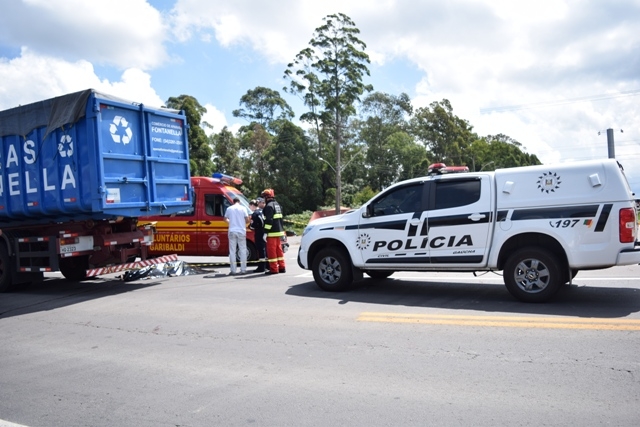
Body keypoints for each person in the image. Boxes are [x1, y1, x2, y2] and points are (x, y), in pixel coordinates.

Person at [261, 188, 286, 275]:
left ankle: (274, 269)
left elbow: (269, 220)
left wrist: (265, 232)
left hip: (271, 232)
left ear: (267, 197)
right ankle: (282, 267)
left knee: (271, 251)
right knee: (279, 250)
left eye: (264, 197)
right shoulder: (277, 205)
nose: (263, 199)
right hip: (279, 231)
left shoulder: (268, 206)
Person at [224, 197, 250, 275]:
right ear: (239, 202)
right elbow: (247, 219)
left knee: (232, 251)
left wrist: (231, 222)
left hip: (232, 231)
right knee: (243, 250)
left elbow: (225, 219)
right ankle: (243, 270)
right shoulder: (243, 208)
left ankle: (233, 270)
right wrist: (242, 223)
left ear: (233, 201)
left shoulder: (229, 208)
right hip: (241, 231)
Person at [249, 198, 267, 273]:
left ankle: (261, 267)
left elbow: (252, 226)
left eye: (249, 206)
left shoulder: (255, 214)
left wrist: (249, 226)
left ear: (253, 205)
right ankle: (266, 265)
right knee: (264, 249)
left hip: (259, 233)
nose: (249, 208)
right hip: (264, 231)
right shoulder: (262, 211)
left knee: (260, 250)